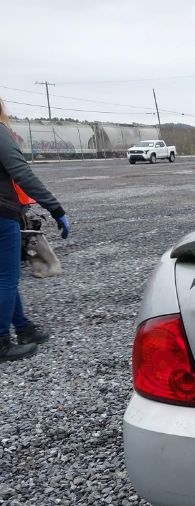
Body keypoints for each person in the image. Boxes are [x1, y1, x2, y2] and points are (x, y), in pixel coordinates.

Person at [0, 98, 71, 362]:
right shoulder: (0, 133)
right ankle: (1, 342)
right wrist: (56, 209)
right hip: (2, 214)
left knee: (5, 275)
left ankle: (23, 328)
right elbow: (22, 173)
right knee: (7, 278)